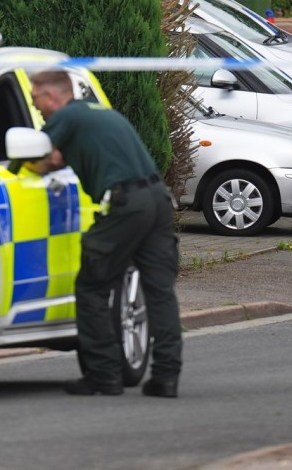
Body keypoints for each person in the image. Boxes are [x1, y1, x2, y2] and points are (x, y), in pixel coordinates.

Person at [24, 69, 182, 398]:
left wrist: (28, 165)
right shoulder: (97, 111)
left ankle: (104, 375)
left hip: (125, 205)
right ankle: (166, 378)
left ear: (53, 96)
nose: (36, 106)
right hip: (158, 201)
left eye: (36, 97)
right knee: (159, 292)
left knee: (92, 287)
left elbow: (37, 159)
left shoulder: (65, 116)